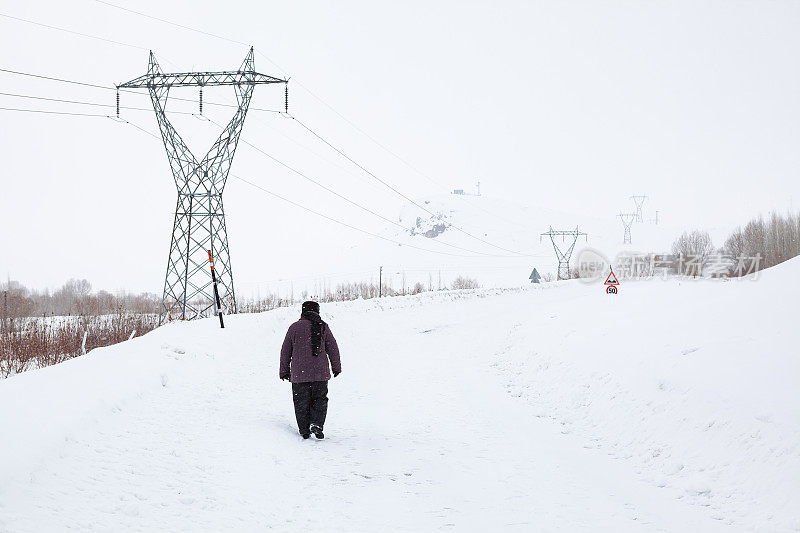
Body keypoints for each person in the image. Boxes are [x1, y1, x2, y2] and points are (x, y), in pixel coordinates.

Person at [279, 301, 341, 439]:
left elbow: (285, 351)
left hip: (299, 375)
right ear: (317, 312)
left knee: (301, 402)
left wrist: (284, 371)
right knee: (319, 399)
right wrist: (336, 367)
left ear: (303, 312)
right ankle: (317, 424)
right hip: (320, 374)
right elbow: (333, 348)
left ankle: (304, 430)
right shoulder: (323, 327)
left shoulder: (294, 328)